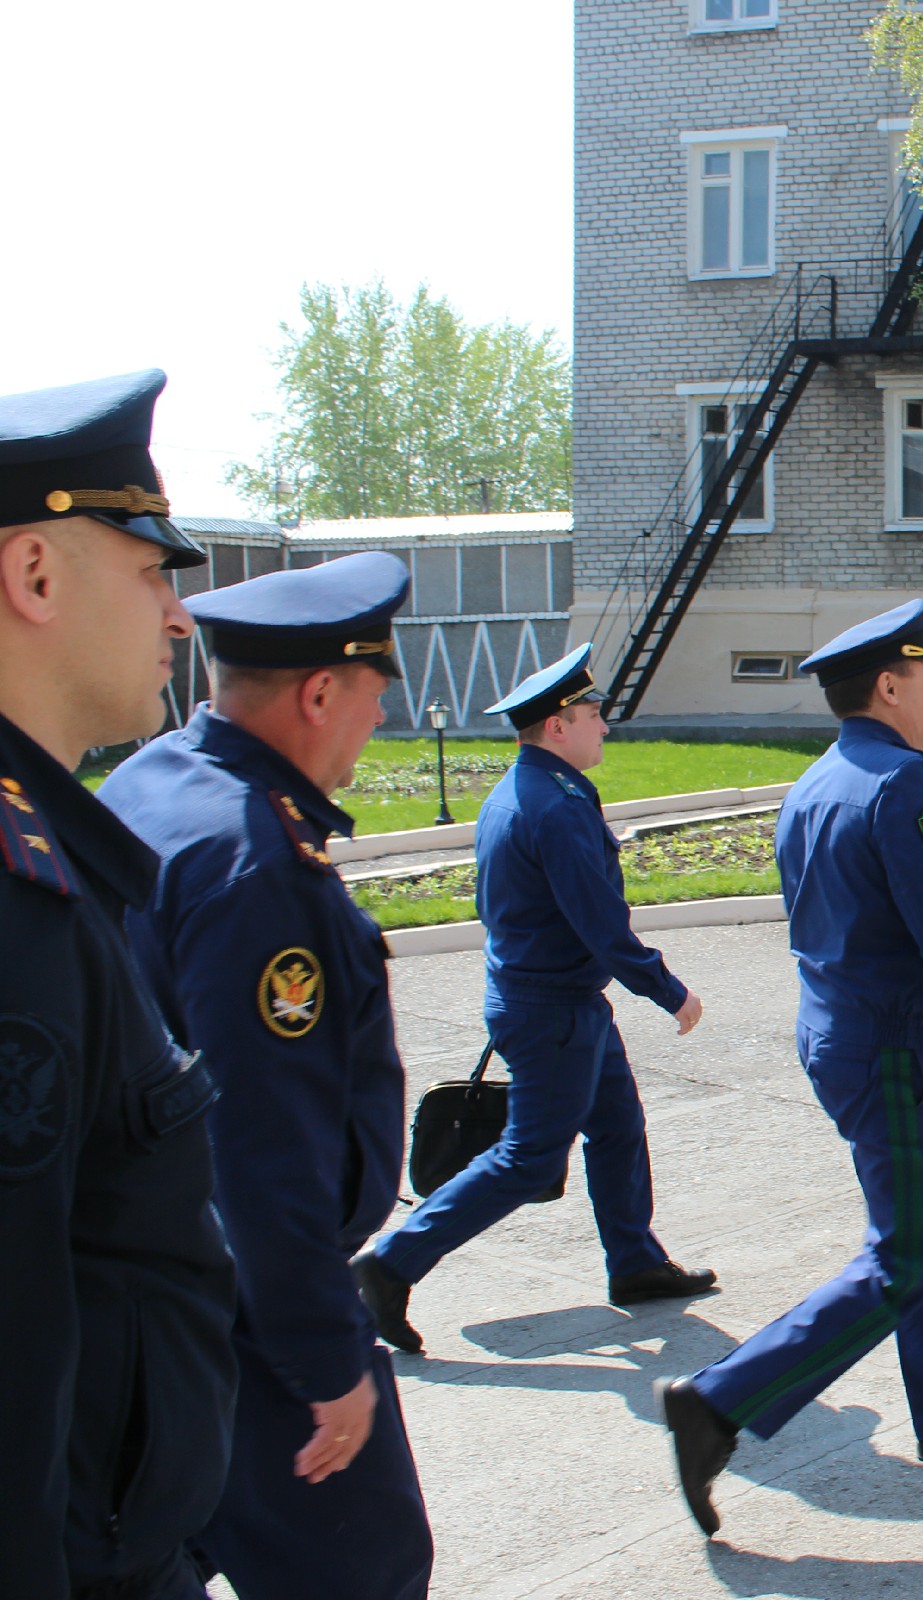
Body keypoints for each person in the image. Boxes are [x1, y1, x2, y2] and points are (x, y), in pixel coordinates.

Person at [655, 599, 923, 1536]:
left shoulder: (819, 780)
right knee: (909, 1249)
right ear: (890, 686)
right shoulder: (907, 785)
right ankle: (719, 1401)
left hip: (840, 1026)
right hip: (883, 1044)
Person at [102, 551, 435, 1600]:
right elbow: (261, 1144)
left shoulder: (152, 783)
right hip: (242, 1306)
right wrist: (324, 1359)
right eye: (377, 692)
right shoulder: (259, 867)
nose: (380, 718)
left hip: (140, 1285)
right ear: (321, 692)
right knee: (363, 1568)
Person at [0, 369, 239, 1600]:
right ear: (35, 575)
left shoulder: (45, 848)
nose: (179, 616)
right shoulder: (13, 901)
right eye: (152, 571)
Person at [353, 644, 715, 1348]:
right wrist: (669, 991)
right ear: (557, 726)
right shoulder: (554, 807)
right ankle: (391, 1264)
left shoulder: (532, 787)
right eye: (593, 714)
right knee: (530, 1158)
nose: (604, 726)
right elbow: (600, 921)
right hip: (552, 1010)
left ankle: (635, 1264)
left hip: (556, 1000)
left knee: (616, 1126)